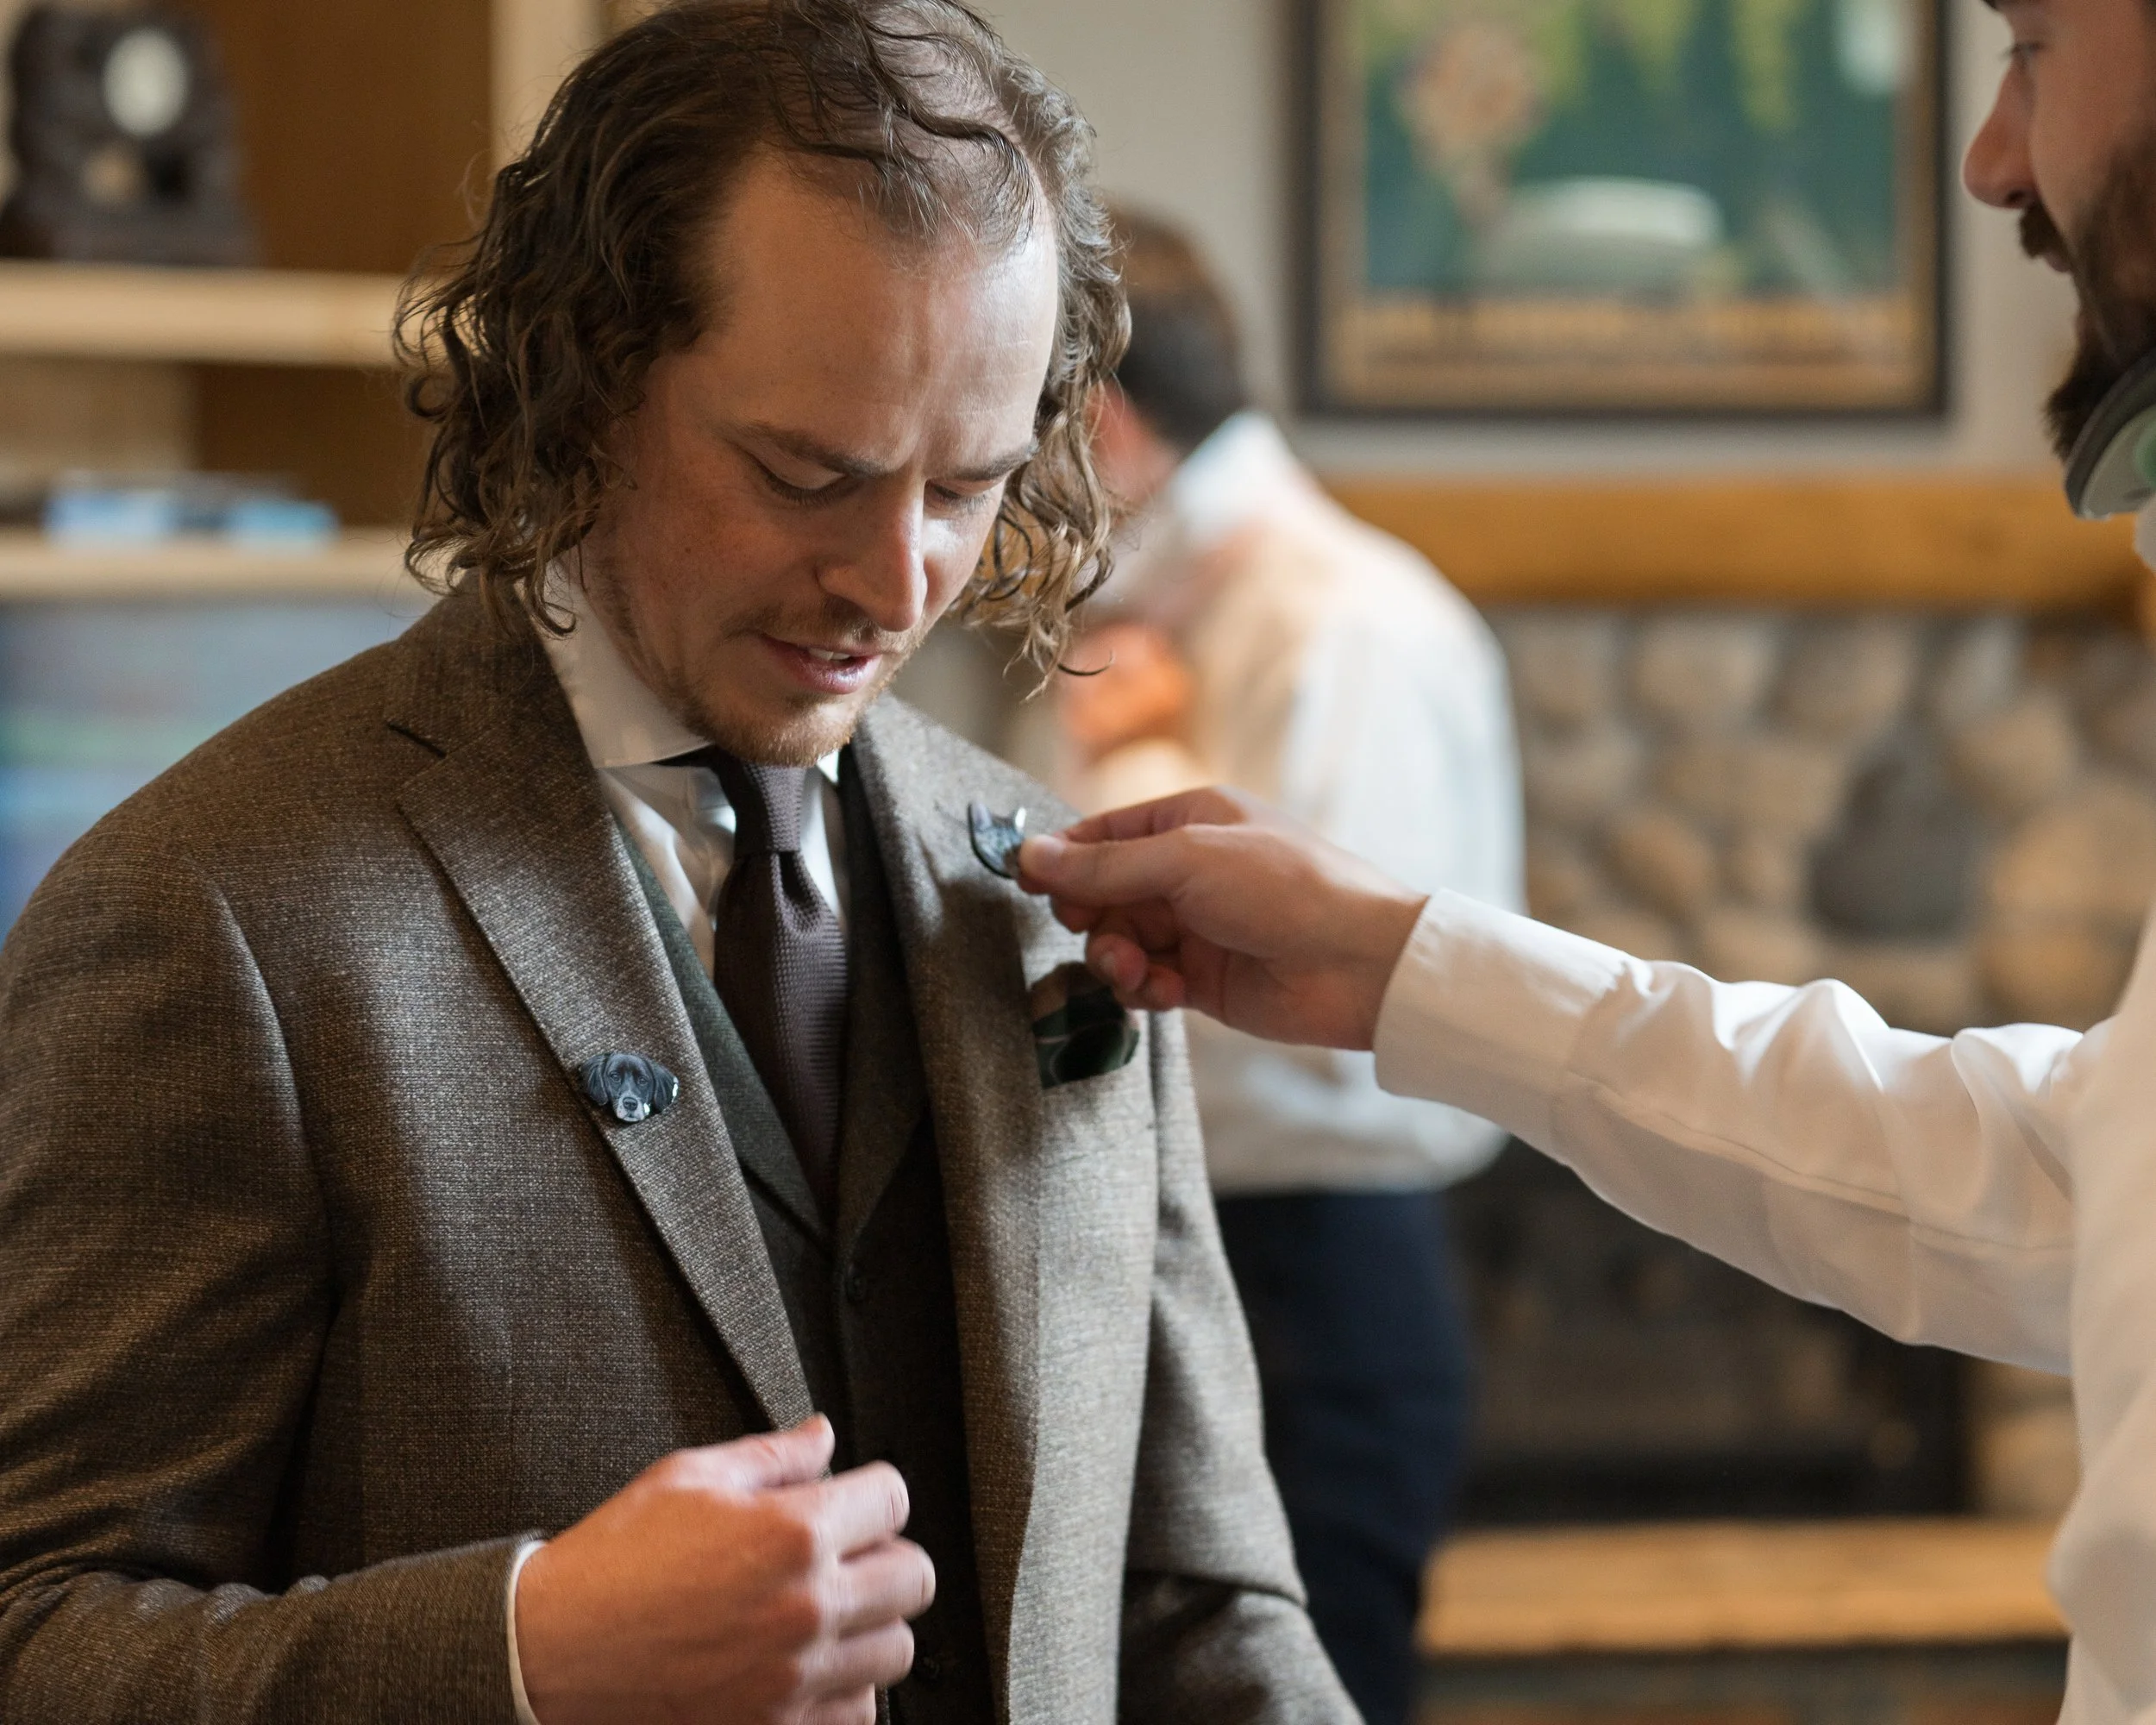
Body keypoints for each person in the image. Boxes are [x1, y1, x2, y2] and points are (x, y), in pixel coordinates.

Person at [0, 6, 1359, 1723]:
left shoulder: (1058, 893)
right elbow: (31, 1632)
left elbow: (1190, 1608)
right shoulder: (208, 912)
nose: (893, 582)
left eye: (969, 486)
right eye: (809, 472)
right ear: (581, 378)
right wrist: (521, 1655)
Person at [1018, 3, 2156, 1719]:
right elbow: (2067, 1187)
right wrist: (1411, 965)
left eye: (2029, 44)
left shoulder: (1340, 629)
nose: (1989, 154)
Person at [1055, 208, 1523, 1725]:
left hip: (1315, 1271)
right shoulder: (1154, 611)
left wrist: (1143, 748)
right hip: (1200, 1247)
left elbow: (1317, 1003)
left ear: (1105, 427)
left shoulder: (1339, 625)